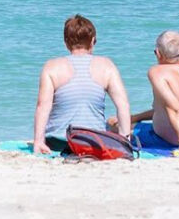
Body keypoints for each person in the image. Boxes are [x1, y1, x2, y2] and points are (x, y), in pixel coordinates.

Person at [32, 15, 131, 154]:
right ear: (92, 41)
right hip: (93, 142)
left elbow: (42, 106)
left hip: (58, 142)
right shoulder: (107, 66)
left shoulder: (51, 67)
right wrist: (124, 142)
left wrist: (38, 141)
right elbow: (123, 105)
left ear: (66, 43)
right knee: (109, 126)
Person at [120, 29, 179, 151]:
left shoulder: (157, 72)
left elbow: (174, 109)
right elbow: (164, 110)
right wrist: (134, 118)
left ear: (158, 53)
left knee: (114, 124)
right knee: (128, 121)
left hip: (170, 140)